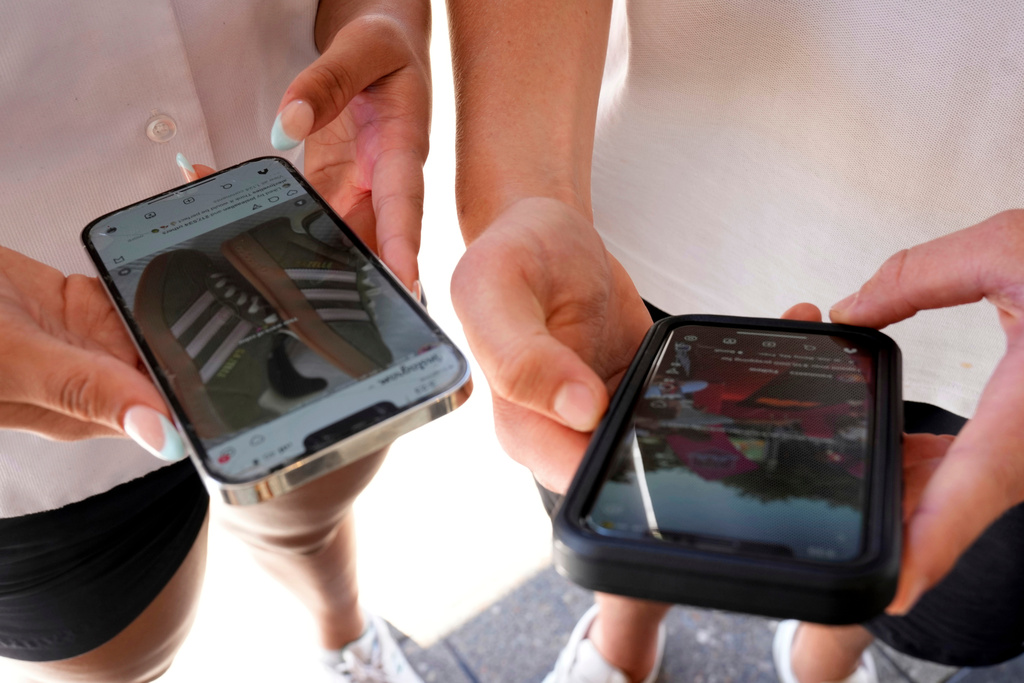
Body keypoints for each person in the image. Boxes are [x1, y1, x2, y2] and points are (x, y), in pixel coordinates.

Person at [444, 1, 1024, 682]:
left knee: (919, 583)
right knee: (632, 516)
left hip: (986, 339)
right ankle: (622, 640)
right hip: (647, 247)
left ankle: (824, 660)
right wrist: (525, 193)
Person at [0, 1, 431, 681]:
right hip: (31, 436)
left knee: (310, 528)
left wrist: (383, 20)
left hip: (302, 217)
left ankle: (348, 644)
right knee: (121, 661)